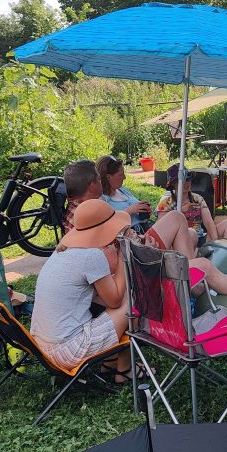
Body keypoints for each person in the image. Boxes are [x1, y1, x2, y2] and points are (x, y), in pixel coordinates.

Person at [30, 199, 135, 380]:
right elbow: (115, 300)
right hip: (66, 351)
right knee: (132, 298)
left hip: (41, 345)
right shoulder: (92, 256)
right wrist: (124, 252)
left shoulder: (63, 251)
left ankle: (110, 362)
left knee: (106, 301)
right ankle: (124, 371)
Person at [155, 164, 227, 246]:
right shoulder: (165, 202)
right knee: (191, 233)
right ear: (173, 183)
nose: (186, 183)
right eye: (182, 180)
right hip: (180, 243)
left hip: (201, 238)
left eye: (188, 179)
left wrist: (215, 242)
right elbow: (161, 229)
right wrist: (181, 211)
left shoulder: (198, 198)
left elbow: (208, 222)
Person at [96, 155, 152, 222]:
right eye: (121, 175)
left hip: (144, 227)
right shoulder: (102, 199)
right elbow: (105, 224)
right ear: (108, 177)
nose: (124, 177)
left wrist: (144, 210)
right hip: (130, 231)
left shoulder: (122, 190)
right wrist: (129, 210)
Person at [63, 159, 103, 232]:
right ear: (92, 186)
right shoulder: (88, 217)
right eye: (99, 179)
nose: (101, 182)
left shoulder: (75, 205)